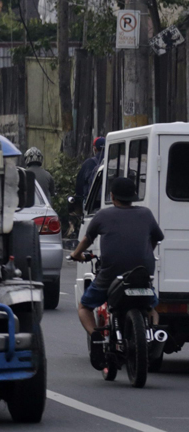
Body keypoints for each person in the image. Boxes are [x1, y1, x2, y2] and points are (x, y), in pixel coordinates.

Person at [69, 176, 164, 338]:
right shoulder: (146, 214)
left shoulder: (102, 216)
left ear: (112, 196)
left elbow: (87, 239)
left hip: (111, 276)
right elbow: (157, 237)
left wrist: (76, 254)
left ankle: (96, 337)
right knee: (151, 308)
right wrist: (147, 250)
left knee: (84, 307)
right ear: (134, 196)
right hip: (142, 274)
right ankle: (154, 334)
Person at [74, 137, 105, 203]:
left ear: (94, 148)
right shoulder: (114, 161)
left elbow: (79, 185)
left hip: (93, 204)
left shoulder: (89, 163)